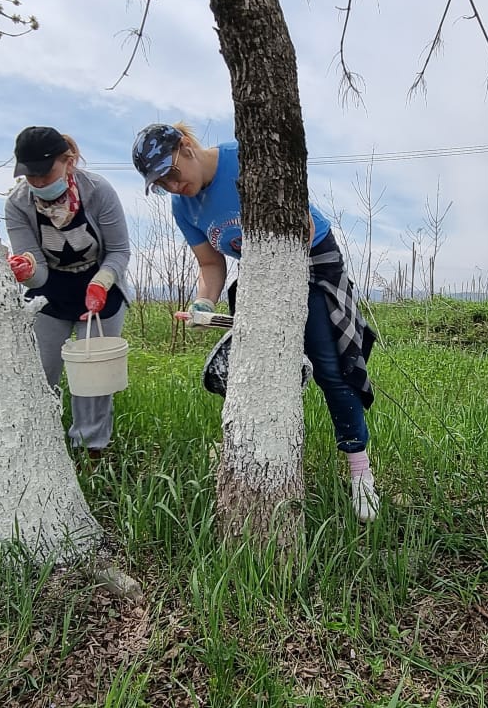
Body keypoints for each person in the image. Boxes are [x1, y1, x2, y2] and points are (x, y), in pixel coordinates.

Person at [131, 122, 381, 522]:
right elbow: (211, 264)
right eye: (161, 185)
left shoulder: (246, 158)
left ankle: (360, 472)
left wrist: (283, 281)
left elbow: (304, 226)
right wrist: (203, 303)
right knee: (258, 370)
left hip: (312, 256)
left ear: (187, 147)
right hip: (259, 273)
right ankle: (267, 458)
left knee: (330, 365)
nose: (173, 187)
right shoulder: (183, 209)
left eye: (172, 174)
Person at [5, 125, 132, 465]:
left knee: (93, 374)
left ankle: (91, 450)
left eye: (46, 173)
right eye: (31, 176)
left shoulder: (98, 191)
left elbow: (119, 251)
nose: (38, 182)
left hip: (100, 284)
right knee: (40, 370)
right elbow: (38, 270)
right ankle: (39, 444)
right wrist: (26, 271)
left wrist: (101, 283)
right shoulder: (17, 204)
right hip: (50, 290)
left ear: (68, 162)